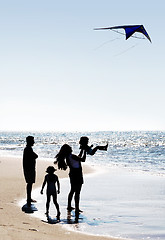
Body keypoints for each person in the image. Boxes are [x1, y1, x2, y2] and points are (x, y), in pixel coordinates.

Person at [54, 144, 86, 221]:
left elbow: (78, 157)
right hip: (77, 174)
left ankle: (69, 206)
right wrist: (85, 151)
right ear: (69, 149)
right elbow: (83, 159)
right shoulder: (72, 156)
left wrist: (82, 150)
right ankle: (77, 208)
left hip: (72, 174)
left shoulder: (68, 157)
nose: (72, 148)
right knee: (77, 192)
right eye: (70, 147)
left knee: (72, 190)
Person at [23, 136, 38, 207]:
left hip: (28, 168)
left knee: (30, 183)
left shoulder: (28, 149)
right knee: (30, 183)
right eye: (32, 141)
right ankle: (28, 198)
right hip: (29, 169)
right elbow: (35, 156)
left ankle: (29, 197)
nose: (33, 142)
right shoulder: (28, 149)